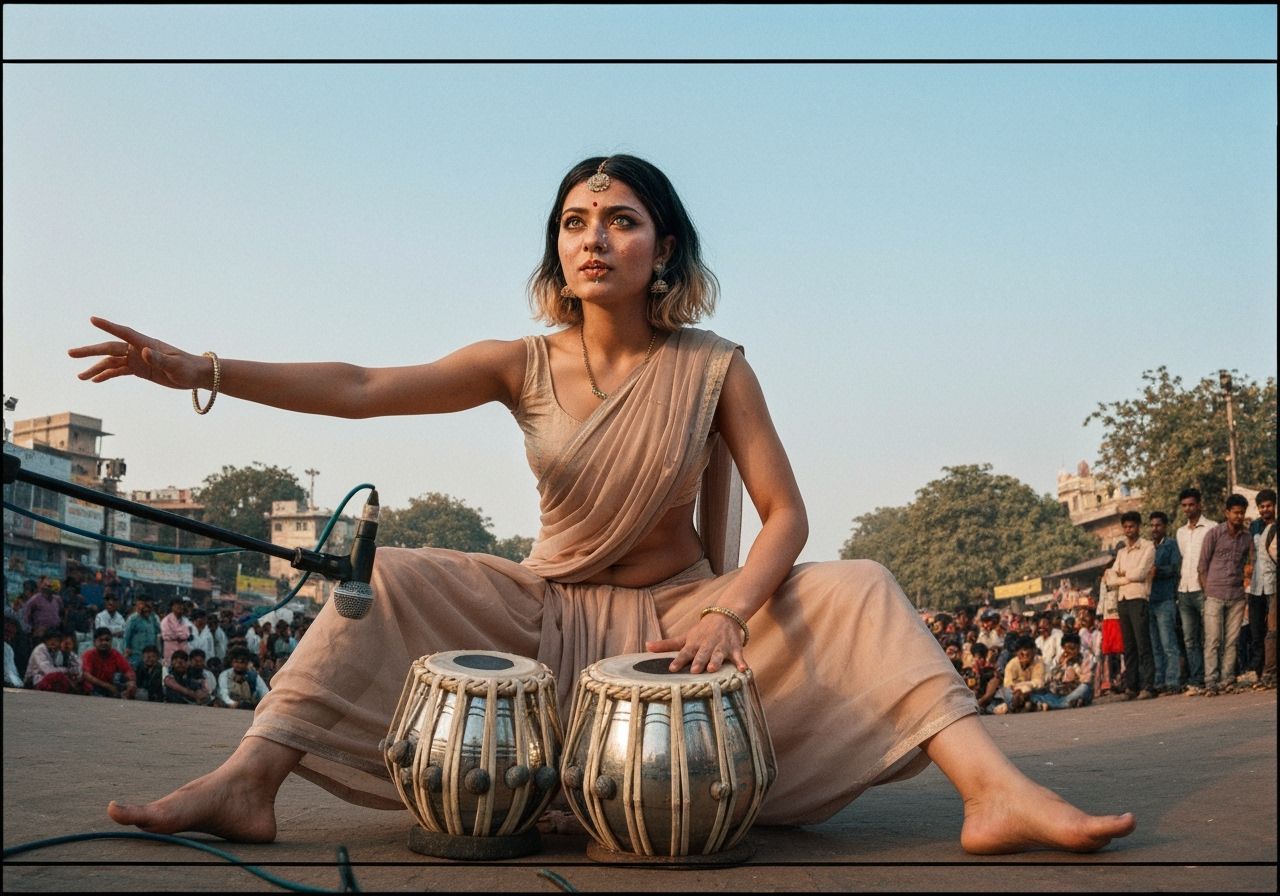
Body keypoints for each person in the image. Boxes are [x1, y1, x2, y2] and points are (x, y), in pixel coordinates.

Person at [72, 154, 1133, 854]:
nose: (593, 237)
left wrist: (727, 609)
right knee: (387, 573)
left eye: (619, 219)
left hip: (680, 623)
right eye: (574, 221)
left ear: (660, 247)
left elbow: (784, 517)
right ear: (558, 251)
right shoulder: (517, 362)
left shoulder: (716, 366)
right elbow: (359, 387)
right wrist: (195, 364)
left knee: (858, 585)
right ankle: (248, 781)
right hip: (537, 613)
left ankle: (990, 791)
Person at [1197, 494, 1252, 695]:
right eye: (1235, 512)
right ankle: (1210, 680)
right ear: (1226, 512)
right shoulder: (1214, 534)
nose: (1239, 516)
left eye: (1242, 513)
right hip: (1214, 594)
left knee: (1232, 640)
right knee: (1212, 640)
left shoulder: (1247, 538)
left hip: (1237, 595)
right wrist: (1207, 591)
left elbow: (1250, 563)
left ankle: (1227, 679)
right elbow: (1202, 566)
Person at [1102, 511, 1156, 700]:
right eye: (1125, 527)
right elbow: (1110, 576)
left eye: (1131, 526)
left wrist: (1121, 577)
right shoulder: (1122, 552)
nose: (1128, 530)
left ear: (1138, 527)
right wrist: (1123, 577)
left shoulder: (1148, 547)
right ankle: (1131, 687)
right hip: (1123, 600)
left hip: (1138, 598)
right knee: (1129, 647)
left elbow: (1141, 573)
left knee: (1143, 645)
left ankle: (1148, 686)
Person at [1175, 488, 1215, 694]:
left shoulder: (1212, 528)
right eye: (1184, 505)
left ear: (1199, 504)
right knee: (1190, 638)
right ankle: (1197, 678)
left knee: (1210, 635)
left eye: (1191, 504)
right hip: (1185, 589)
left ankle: (1212, 677)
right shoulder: (1180, 532)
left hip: (1204, 589)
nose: (1188, 509)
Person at [1147, 511, 1183, 694]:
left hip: (1165, 599)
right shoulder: (1147, 547)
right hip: (1149, 600)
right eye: (1152, 525)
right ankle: (1159, 681)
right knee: (1155, 645)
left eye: (1158, 525)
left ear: (1165, 526)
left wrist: (1157, 571)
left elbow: (1175, 568)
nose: (1155, 529)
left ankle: (1172, 681)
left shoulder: (1170, 545)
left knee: (1168, 643)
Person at [1245, 489, 1276, 686]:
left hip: (1273, 583)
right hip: (1256, 585)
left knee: (1272, 630)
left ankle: (1271, 672)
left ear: (1274, 506)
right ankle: (1258, 671)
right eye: (1262, 507)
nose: (1265, 509)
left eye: (1269, 506)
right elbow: (1250, 552)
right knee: (1256, 630)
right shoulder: (1254, 526)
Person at [1029, 632, 1094, 711]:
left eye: (1073, 648)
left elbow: (1086, 680)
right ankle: (1065, 703)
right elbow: (1049, 678)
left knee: (1085, 688)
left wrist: (1074, 665)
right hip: (1058, 693)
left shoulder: (1085, 658)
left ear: (1079, 647)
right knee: (1034, 694)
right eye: (1067, 648)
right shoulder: (1057, 659)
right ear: (1063, 647)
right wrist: (1060, 665)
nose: (1071, 651)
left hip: (1074, 692)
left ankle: (1056, 704)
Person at [81, 627, 138, 699]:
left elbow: (128, 670)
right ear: (94, 642)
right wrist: (107, 686)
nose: (104, 643)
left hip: (111, 688)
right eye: (101, 640)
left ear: (111, 641)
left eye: (107, 640)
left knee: (128, 684)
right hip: (94, 688)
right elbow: (86, 675)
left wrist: (131, 682)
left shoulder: (115, 654)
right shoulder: (88, 655)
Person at [160, 598, 191, 664]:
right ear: (172, 607)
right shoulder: (166, 620)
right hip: (170, 653)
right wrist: (181, 634)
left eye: (181, 604)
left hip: (183, 652)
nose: (180, 606)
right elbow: (167, 635)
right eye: (177, 605)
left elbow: (187, 635)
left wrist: (177, 634)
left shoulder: (185, 620)